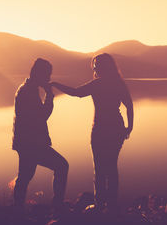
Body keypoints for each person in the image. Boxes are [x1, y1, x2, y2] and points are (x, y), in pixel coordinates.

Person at [51, 53, 133, 212]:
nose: (95, 68)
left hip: (101, 130)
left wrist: (56, 84)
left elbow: (76, 92)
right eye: (94, 66)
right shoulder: (118, 83)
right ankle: (111, 205)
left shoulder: (99, 84)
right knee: (111, 167)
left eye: (97, 65)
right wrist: (129, 127)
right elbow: (129, 105)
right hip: (117, 128)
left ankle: (100, 204)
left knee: (101, 168)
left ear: (104, 67)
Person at [12, 58, 69, 209]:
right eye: (47, 74)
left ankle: (18, 212)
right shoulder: (28, 92)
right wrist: (49, 95)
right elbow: (42, 116)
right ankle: (57, 207)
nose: (49, 78)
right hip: (32, 144)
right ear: (39, 73)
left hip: (26, 142)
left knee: (24, 177)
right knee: (62, 166)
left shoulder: (27, 88)